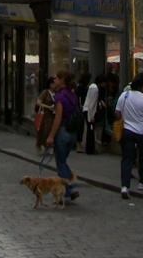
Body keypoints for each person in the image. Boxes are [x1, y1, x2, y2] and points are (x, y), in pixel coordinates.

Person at [116, 74, 143, 199]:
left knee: (127, 158)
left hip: (127, 131)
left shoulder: (124, 95)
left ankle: (124, 186)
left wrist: (125, 118)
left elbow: (117, 113)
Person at [45, 71, 80, 204]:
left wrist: (50, 136)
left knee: (60, 162)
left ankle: (69, 189)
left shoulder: (60, 96)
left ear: (62, 80)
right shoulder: (72, 95)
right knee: (63, 161)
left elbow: (58, 118)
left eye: (56, 78)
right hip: (72, 133)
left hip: (63, 131)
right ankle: (69, 190)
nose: (54, 80)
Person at [82, 73, 106, 156]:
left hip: (87, 110)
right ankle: (90, 149)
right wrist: (91, 115)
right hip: (89, 111)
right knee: (91, 130)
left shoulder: (93, 87)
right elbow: (92, 103)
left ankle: (90, 148)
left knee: (90, 130)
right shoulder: (95, 89)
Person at [35, 75, 57, 153]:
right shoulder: (45, 92)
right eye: (54, 83)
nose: (55, 85)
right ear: (50, 84)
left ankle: (47, 146)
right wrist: (48, 107)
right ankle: (39, 144)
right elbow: (38, 102)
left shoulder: (56, 93)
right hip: (45, 115)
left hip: (53, 115)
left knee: (50, 131)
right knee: (43, 131)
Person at [74, 72, 90, 152]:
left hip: (80, 107)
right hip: (81, 108)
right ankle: (78, 145)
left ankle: (78, 144)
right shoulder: (82, 88)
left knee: (80, 126)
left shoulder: (79, 87)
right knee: (80, 126)